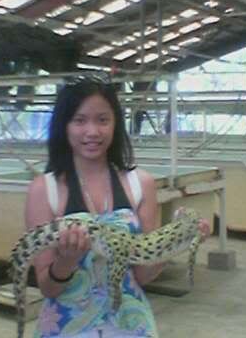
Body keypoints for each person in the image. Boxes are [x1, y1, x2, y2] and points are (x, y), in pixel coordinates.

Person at [25, 75, 164, 337]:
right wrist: (66, 261)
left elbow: (144, 276)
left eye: (102, 120)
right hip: (67, 326)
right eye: (80, 120)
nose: (92, 131)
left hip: (130, 325)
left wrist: (177, 242)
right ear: (64, 126)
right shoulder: (45, 190)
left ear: (115, 124)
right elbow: (47, 288)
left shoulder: (141, 184)